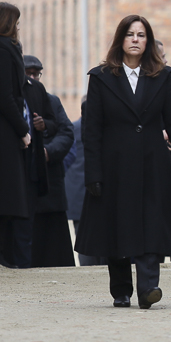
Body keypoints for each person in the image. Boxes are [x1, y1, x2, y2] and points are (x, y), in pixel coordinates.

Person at [75, 15, 171, 309]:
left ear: (148, 41)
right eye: (130, 34)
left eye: (141, 35)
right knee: (117, 226)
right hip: (114, 165)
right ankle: (121, 289)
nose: (135, 40)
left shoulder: (162, 77)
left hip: (153, 164)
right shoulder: (101, 78)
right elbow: (92, 131)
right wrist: (93, 173)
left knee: (152, 224)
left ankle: (149, 287)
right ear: (120, 40)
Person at [23, 55, 76, 268]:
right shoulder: (15, 100)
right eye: (29, 74)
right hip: (24, 180)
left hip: (50, 179)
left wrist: (47, 152)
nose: (34, 78)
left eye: (37, 74)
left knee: (55, 244)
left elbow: (67, 132)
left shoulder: (51, 101)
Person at [0, 2, 33, 268]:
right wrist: (23, 130)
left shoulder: (8, 48)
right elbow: (6, 97)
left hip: (10, 129)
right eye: (16, 22)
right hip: (8, 131)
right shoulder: (4, 49)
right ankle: (5, 257)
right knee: (9, 196)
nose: (18, 27)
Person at [65, 97, 105, 266]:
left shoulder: (73, 128)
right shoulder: (104, 129)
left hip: (77, 191)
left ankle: (87, 268)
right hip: (97, 188)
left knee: (83, 236)